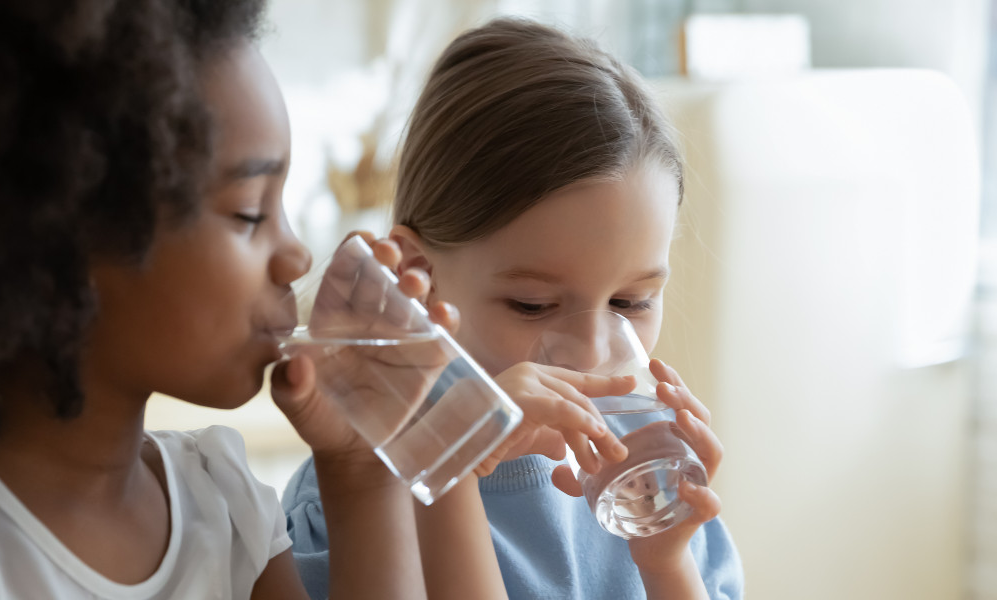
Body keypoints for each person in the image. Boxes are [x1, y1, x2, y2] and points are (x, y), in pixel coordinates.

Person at [0, 1, 463, 598]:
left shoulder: (222, 509)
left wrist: (361, 470)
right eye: (248, 213)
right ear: (61, 236)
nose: (297, 254)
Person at [282, 18, 745, 600]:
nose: (593, 352)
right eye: (533, 305)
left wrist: (667, 565)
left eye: (631, 301)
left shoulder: (651, 498)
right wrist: (451, 454)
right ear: (414, 277)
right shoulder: (357, 503)